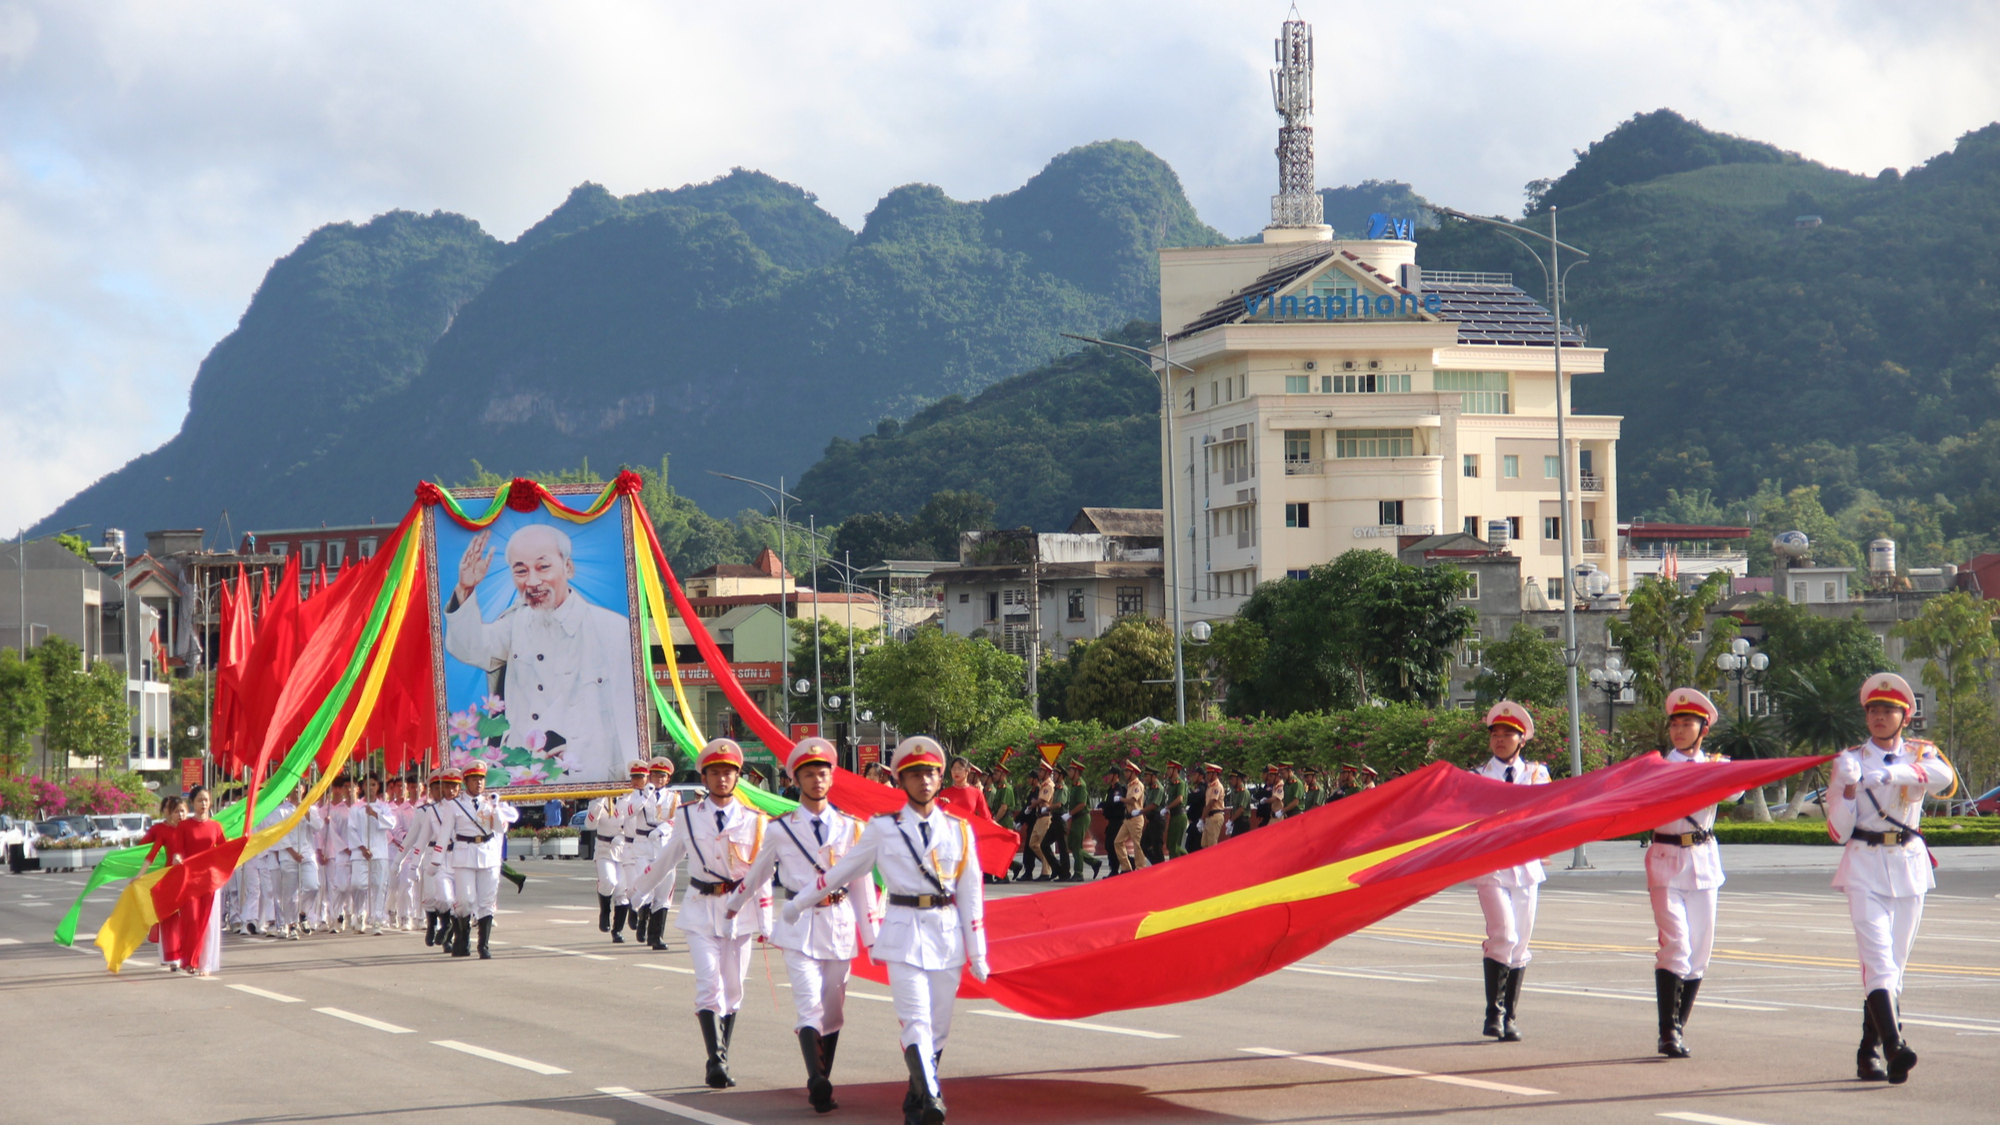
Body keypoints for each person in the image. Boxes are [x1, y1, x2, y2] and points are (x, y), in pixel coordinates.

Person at [784, 736, 987, 1125]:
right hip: (903, 932)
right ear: (901, 780)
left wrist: (978, 952)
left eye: (930, 773)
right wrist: (797, 903)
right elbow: (841, 872)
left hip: (947, 935)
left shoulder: (960, 830)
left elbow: (971, 893)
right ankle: (931, 1098)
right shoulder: (882, 828)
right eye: (914, 775)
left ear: (941, 777)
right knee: (916, 1021)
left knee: (939, 1027)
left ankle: (915, 1097)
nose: (924, 781)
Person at [724, 738, 879, 1113]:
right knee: (809, 1006)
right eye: (808, 774)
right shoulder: (781, 829)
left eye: (822, 773)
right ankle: (816, 1080)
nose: (816, 779)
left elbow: (861, 885)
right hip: (798, 925)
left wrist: (872, 938)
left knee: (834, 1009)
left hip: (839, 923)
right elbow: (759, 872)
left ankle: (825, 1073)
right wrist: (734, 903)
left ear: (832, 778)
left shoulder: (851, 828)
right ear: (796, 779)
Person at [1827, 672, 1956, 1084]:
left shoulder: (1921, 753)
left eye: (1889, 711)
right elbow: (1838, 831)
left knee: (1894, 967)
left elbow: (1945, 781)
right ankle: (1894, 1045)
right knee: (1879, 961)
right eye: (1873, 710)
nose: (1880, 717)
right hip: (1864, 863)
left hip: (1908, 865)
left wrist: (1892, 775)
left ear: (1905, 717)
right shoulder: (1849, 759)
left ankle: (1869, 1051)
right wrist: (1847, 789)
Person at [443, 522, 641, 782]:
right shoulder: (515, 624)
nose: (532, 581)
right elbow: (470, 647)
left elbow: (626, 714)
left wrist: (628, 781)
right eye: (521, 571)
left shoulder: (612, 629)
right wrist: (465, 589)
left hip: (589, 777)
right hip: (524, 776)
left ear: (567, 567)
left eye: (543, 567)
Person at [652, 738, 771, 1089]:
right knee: (709, 984)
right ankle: (715, 1061)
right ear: (704, 778)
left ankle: (722, 1053)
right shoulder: (687, 816)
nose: (722, 779)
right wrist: (635, 894)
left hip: (740, 913)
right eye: (715, 773)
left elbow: (761, 875)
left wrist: (767, 922)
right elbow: (667, 860)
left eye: (728, 773)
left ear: (738, 778)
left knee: (733, 990)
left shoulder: (754, 820)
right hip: (701, 909)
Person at [1647, 688, 1733, 1059]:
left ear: (1704, 730)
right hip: (1666, 857)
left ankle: (1676, 1027)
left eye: (1688, 724)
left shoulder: (1716, 765)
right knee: (1676, 946)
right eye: (1675, 724)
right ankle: (1668, 1031)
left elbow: (1737, 791)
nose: (1680, 731)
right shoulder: (1655, 768)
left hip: (1702, 860)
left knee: (1699, 953)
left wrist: (1711, 772)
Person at [1469, 701, 1550, 1042]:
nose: (1501, 740)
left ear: (1522, 739)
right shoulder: (1476, 777)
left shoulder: (1536, 774)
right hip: (1491, 865)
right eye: (1496, 734)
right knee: (1503, 934)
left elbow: (1550, 811)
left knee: (1521, 942)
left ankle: (1510, 1016)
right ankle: (1494, 1012)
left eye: (1508, 734)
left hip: (1527, 866)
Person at [440, 761, 518, 959]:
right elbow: (444, 834)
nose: (479, 783)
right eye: (474, 779)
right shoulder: (454, 804)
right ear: (466, 782)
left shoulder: (490, 803)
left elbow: (501, 828)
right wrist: (435, 860)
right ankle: (462, 938)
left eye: (482, 779)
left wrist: (496, 807)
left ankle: (483, 945)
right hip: (464, 854)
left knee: (487, 901)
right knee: (465, 900)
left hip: (488, 854)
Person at [629, 757, 686, 951]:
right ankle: (639, 916)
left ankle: (656, 936)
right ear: (649, 776)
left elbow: (677, 819)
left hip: (664, 844)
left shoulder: (674, 796)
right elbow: (628, 813)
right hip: (643, 845)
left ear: (668, 779)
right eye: (654, 775)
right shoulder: (639, 794)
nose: (658, 779)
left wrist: (661, 829)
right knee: (645, 884)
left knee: (665, 889)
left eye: (662, 776)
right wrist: (644, 796)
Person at [177, 787, 227, 977]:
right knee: (192, 919)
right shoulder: (184, 826)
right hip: (190, 879)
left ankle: (205, 963)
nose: (203, 804)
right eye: (199, 800)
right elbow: (179, 850)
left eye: (206, 800)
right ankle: (190, 959)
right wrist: (177, 859)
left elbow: (223, 850)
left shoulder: (216, 827)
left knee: (208, 922)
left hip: (211, 880)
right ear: (192, 803)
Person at [592, 762, 644, 942]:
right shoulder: (599, 799)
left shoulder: (630, 800)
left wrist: (622, 838)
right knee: (609, 881)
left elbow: (633, 826)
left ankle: (617, 930)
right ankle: (604, 912)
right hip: (604, 847)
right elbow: (590, 824)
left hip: (623, 848)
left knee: (622, 889)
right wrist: (599, 802)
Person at [140, 797, 189, 969]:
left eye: (182, 810)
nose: (179, 814)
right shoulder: (161, 830)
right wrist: (140, 875)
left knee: (188, 918)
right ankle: (171, 956)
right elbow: (148, 852)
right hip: (169, 879)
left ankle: (187, 954)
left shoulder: (191, 829)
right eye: (175, 810)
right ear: (165, 811)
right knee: (169, 919)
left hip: (189, 878)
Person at [355, 775, 399, 935]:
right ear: (363, 787)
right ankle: (359, 915)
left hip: (380, 852)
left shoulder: (384, 807)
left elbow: (391, 824)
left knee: (379, 886)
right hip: (360, 853)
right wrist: (361, 847)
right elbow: (351, 830)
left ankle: (377, 920)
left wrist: (375, 814)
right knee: (358, 885)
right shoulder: (356, 807)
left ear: (378, 786)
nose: (371, 787)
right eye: (367, 784)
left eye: (373, 784)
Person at [276, 784, 319, 940]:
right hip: (289, 855)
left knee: (313, 886)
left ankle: (303, 913)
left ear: (304, 789)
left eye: (299, 786)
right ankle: (291, 924)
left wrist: (306, 812)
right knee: (290, 894)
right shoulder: (281, 811)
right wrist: (292, 853)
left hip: (307, 854)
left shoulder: (311, 808)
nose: (296, 789)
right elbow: (280, 834)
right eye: (293, 786)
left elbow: (318, 827)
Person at [1062, 760, 1101, 880]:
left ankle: (1078, 873)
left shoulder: (1081, 785)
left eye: (1070, 770)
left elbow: (1082, 804)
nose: (1068, 773)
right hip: (1076, 818)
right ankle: (1094, 862)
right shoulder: (1074, 785)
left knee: (1077, 846)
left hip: (1082, 817)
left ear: (1077, 772)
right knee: (1072, 844)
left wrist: (1069, 814)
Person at [1112, 762, 1148, 873]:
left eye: (1127, 772)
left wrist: (1120, 799)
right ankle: (1126, 868)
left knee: (1137, 845)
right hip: (1128, 819)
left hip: (1136, 818)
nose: (1125, 774)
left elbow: (1133, 800)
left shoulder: (1138, 785)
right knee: (1117, 842)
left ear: (1132, 773)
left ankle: (1141, 868)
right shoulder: (1130, 785)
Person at [1164, 761, 1190, 859]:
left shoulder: (1180, 783)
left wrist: (1167, 807)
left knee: (1174, 846)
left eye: (1169, 769)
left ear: (1175, 770)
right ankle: (1189, 860)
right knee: (1170, 845)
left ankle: (1189, 860)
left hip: (1179, 816)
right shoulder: (1172, 784)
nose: (1167, 771)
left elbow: (1179, 799)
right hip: (1174, 816)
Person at [1198, 763, 1227, 850]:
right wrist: (1202, 819)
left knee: (1212, 845)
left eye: (1209, 773)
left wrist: (1202, 819)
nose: (1207, 775)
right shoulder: (1210, 786)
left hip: (1215, 816)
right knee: (1204, 844)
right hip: (1209, 817)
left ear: (1215, 774)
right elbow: (1206, 805)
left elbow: (1211, 803)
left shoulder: (1216, 786)